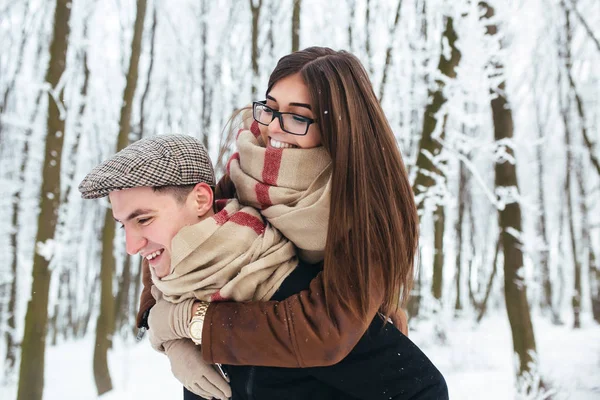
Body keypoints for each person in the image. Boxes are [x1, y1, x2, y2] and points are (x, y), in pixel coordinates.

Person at [111, 47, 447, 399]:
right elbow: (176, 241)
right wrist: (168, 335)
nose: (274, 127)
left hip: (327, 374)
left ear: (338, 128)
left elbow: (324, 328)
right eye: (270, 108)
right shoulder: (247, 171)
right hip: (243, 368)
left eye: (298, 116)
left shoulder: (365, 209)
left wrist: (189, 322)